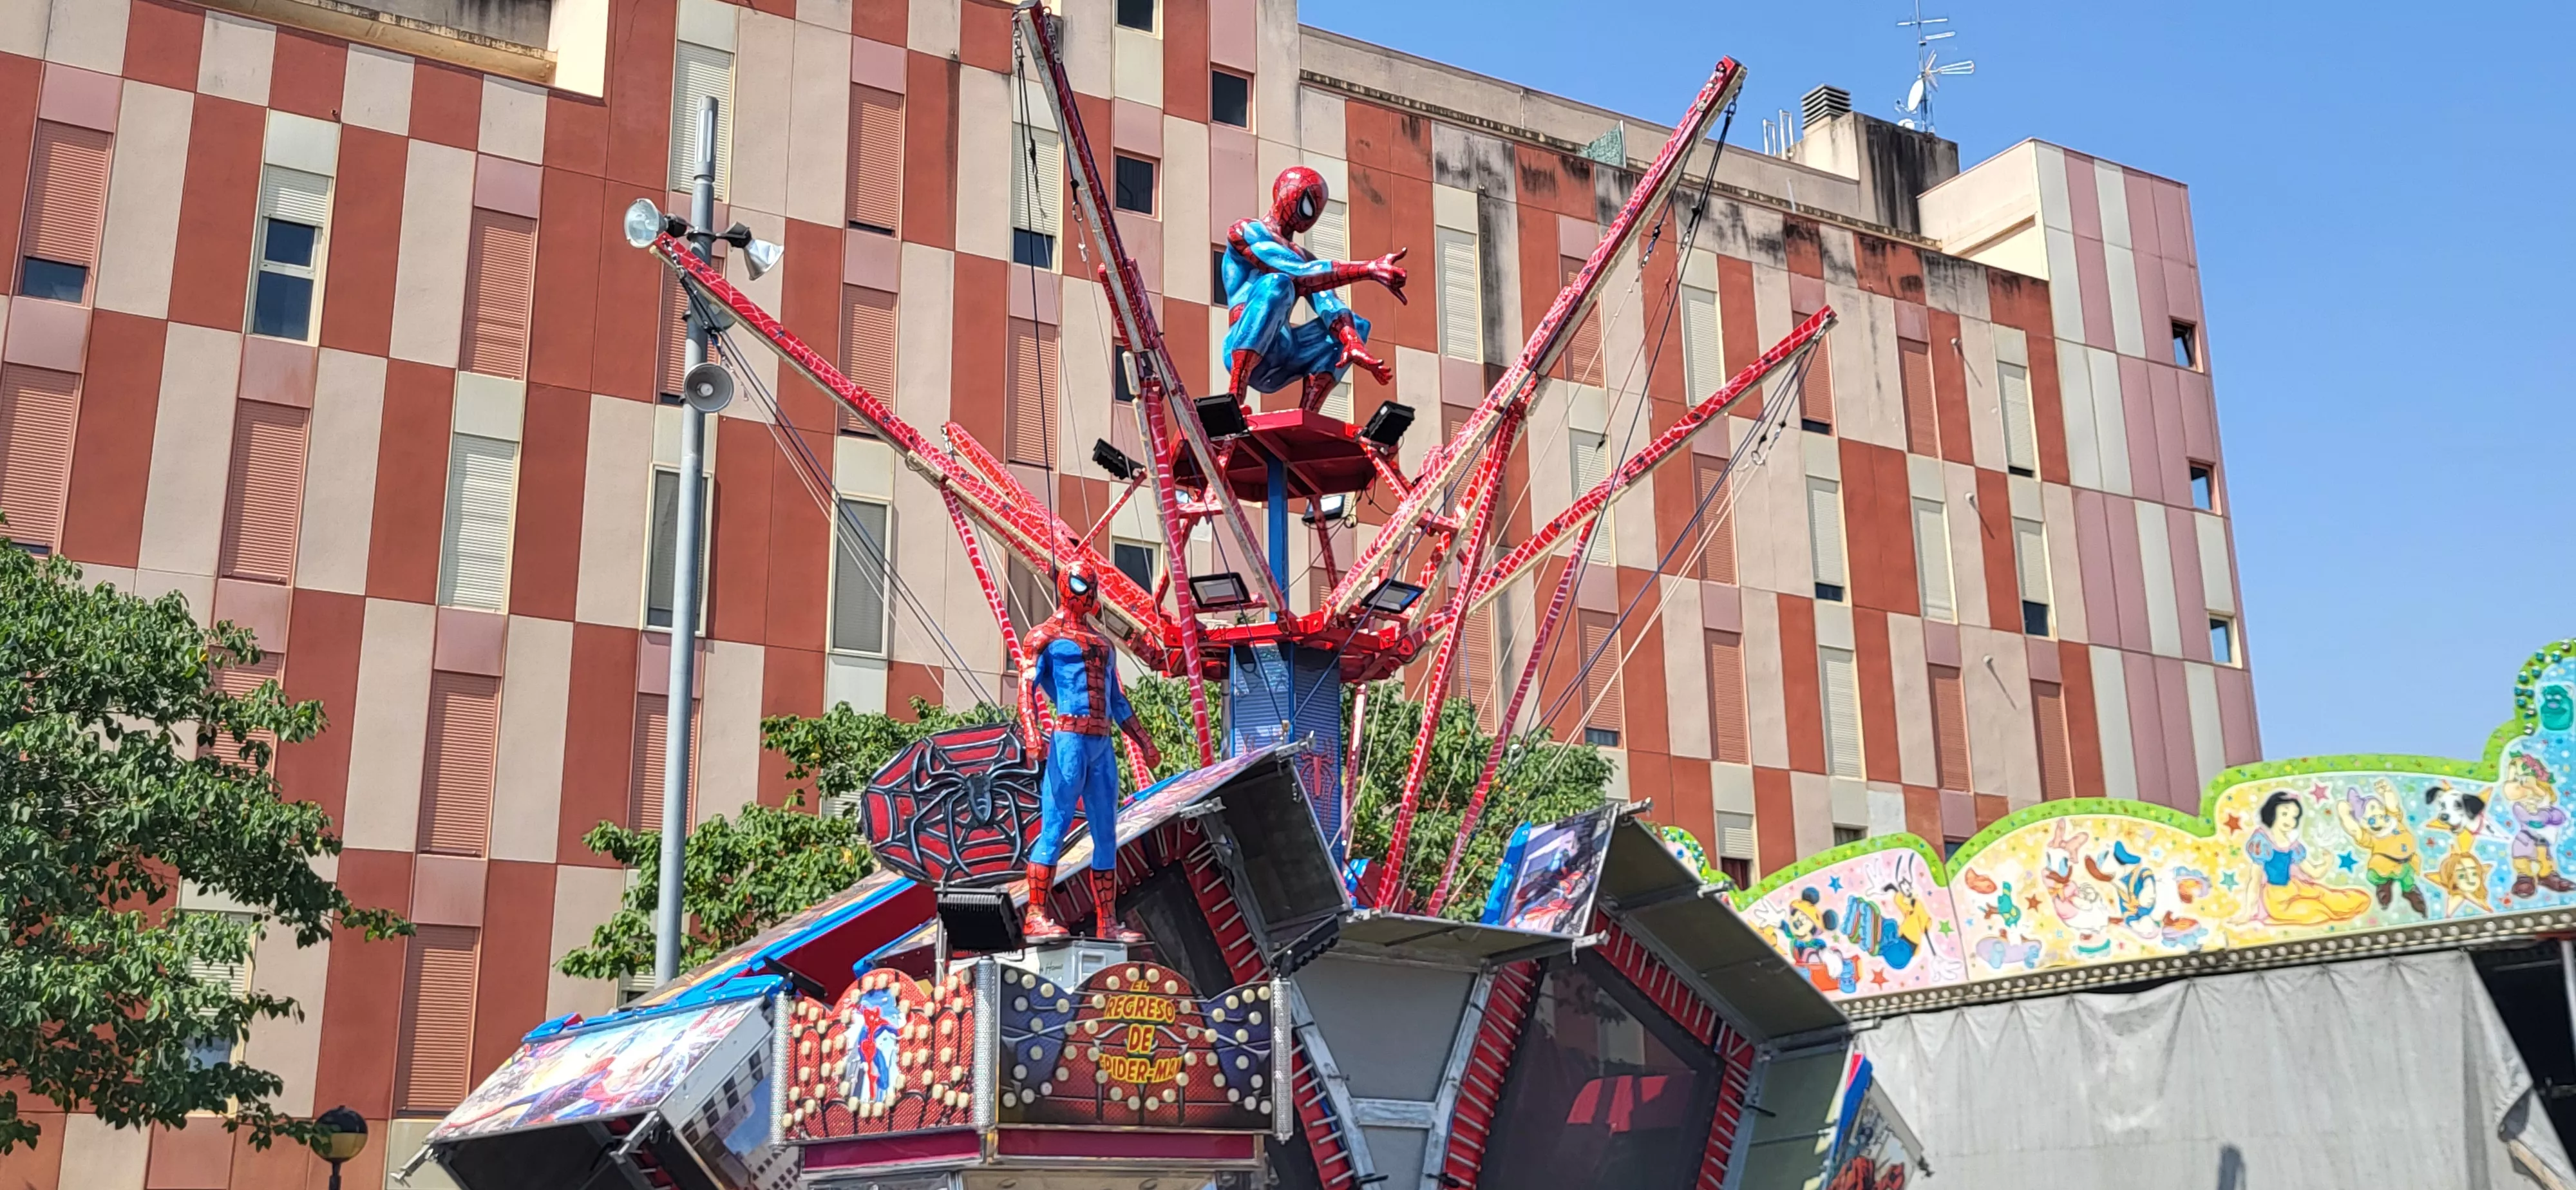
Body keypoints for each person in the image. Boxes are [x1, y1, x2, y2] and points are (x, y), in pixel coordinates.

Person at [1020, 561, 1162, 943]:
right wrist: (1032, 733)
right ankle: (1036, 913)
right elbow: (1027, 691)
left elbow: (1117, 700)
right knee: (1055, 826)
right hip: (1068, 737)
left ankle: (1107, 922)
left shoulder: (1103, 645)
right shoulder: (1044, 637)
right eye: (1082, 584)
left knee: (1105, 832)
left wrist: (1144, 741)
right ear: (1067, 586)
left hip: (1100, 743)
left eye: (1091, 585)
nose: (1088, 593)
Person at [1218, 165, 1409, 411]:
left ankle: (1309, 413)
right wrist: (1369, 269)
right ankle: (1235, 395)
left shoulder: (1304, 257)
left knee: (1356, 324)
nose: (1311, 214)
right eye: (1308, 201)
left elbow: (1328, 301)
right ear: (1287, 194)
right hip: (1243, 345)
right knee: (1278, 283)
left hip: (1285, 354)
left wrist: (1352, 342)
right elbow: (1296, 274)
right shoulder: (1246, 231)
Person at [2242, 791, 2370, 926]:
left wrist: (2327, 862)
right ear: (2271, 813)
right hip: (2278, 901)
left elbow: (2314, 873)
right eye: (2284, 814)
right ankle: (2277, 920)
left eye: (2294, 817)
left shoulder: (2293, 846)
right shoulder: (2262, 843)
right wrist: (2247, 913)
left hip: (2295, 887)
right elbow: (2254, 881)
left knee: (2327, 896)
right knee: (2320, 912)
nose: (2290, 821)